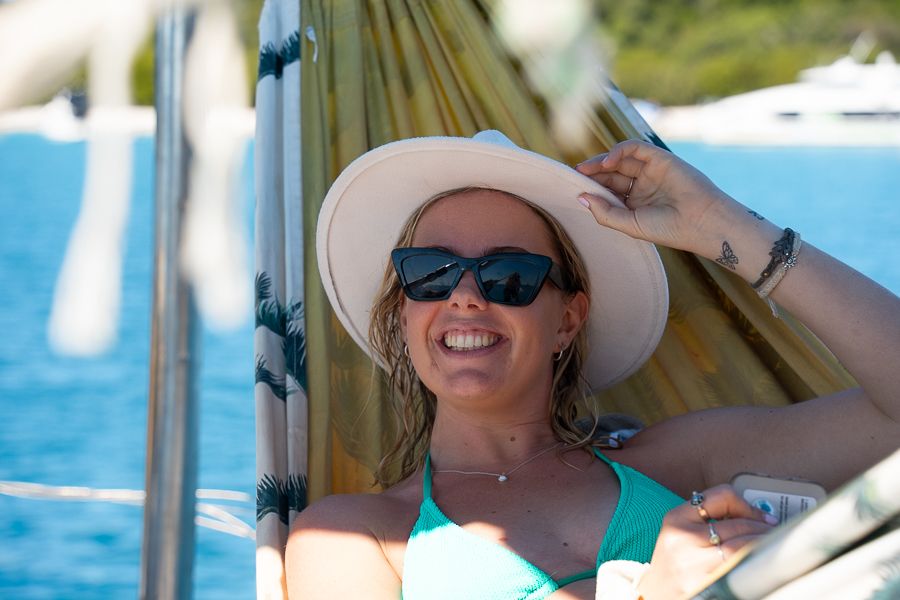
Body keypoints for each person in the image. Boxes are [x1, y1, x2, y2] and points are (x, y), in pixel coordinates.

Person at [286, 130, 900, 599]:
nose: (464, 296)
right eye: (430, 273)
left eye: (508, 277)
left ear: (568, 319)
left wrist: (722, 227)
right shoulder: (352, 535)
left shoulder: (681, 463)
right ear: (403, 313)